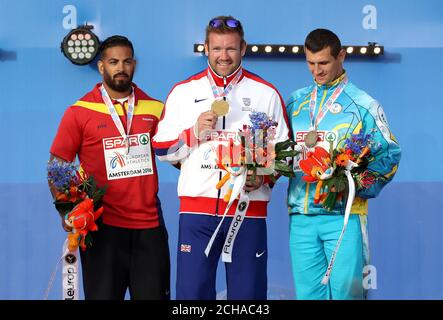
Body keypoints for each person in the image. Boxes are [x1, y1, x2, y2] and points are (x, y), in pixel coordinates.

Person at [152, 16, 289, 300]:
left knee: (248, 298)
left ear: (243, 48)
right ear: (206, 48)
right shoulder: (183, 92)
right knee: (192, 297)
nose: (223, 56)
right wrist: (192, 134)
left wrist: (262, 176)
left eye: (230, 49)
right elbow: (160, 148)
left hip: (247, 211)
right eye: (217, 49)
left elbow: (286, 155)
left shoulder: (266, 93)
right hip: (196, 214)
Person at [49, 35, 170, 300]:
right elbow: (57, 164)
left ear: (134, 65)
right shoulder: (79, 111)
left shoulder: (157, 108)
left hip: (149, 228)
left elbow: (177, 153)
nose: (121, 68)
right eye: (113, 62)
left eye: (127, 62)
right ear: (102, 66)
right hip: (101, 229)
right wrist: (67, 209)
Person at [286, 28, 401, 300]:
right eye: (311, 63)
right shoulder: (295, 102)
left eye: (324, 63)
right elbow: (282, 154)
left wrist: (356, 185)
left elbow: (390, 154)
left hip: (343, 217)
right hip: (301, 216)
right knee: (307, 296)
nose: (317, 71)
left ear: (341, 56)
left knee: (347, 295)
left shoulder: (363, 105)